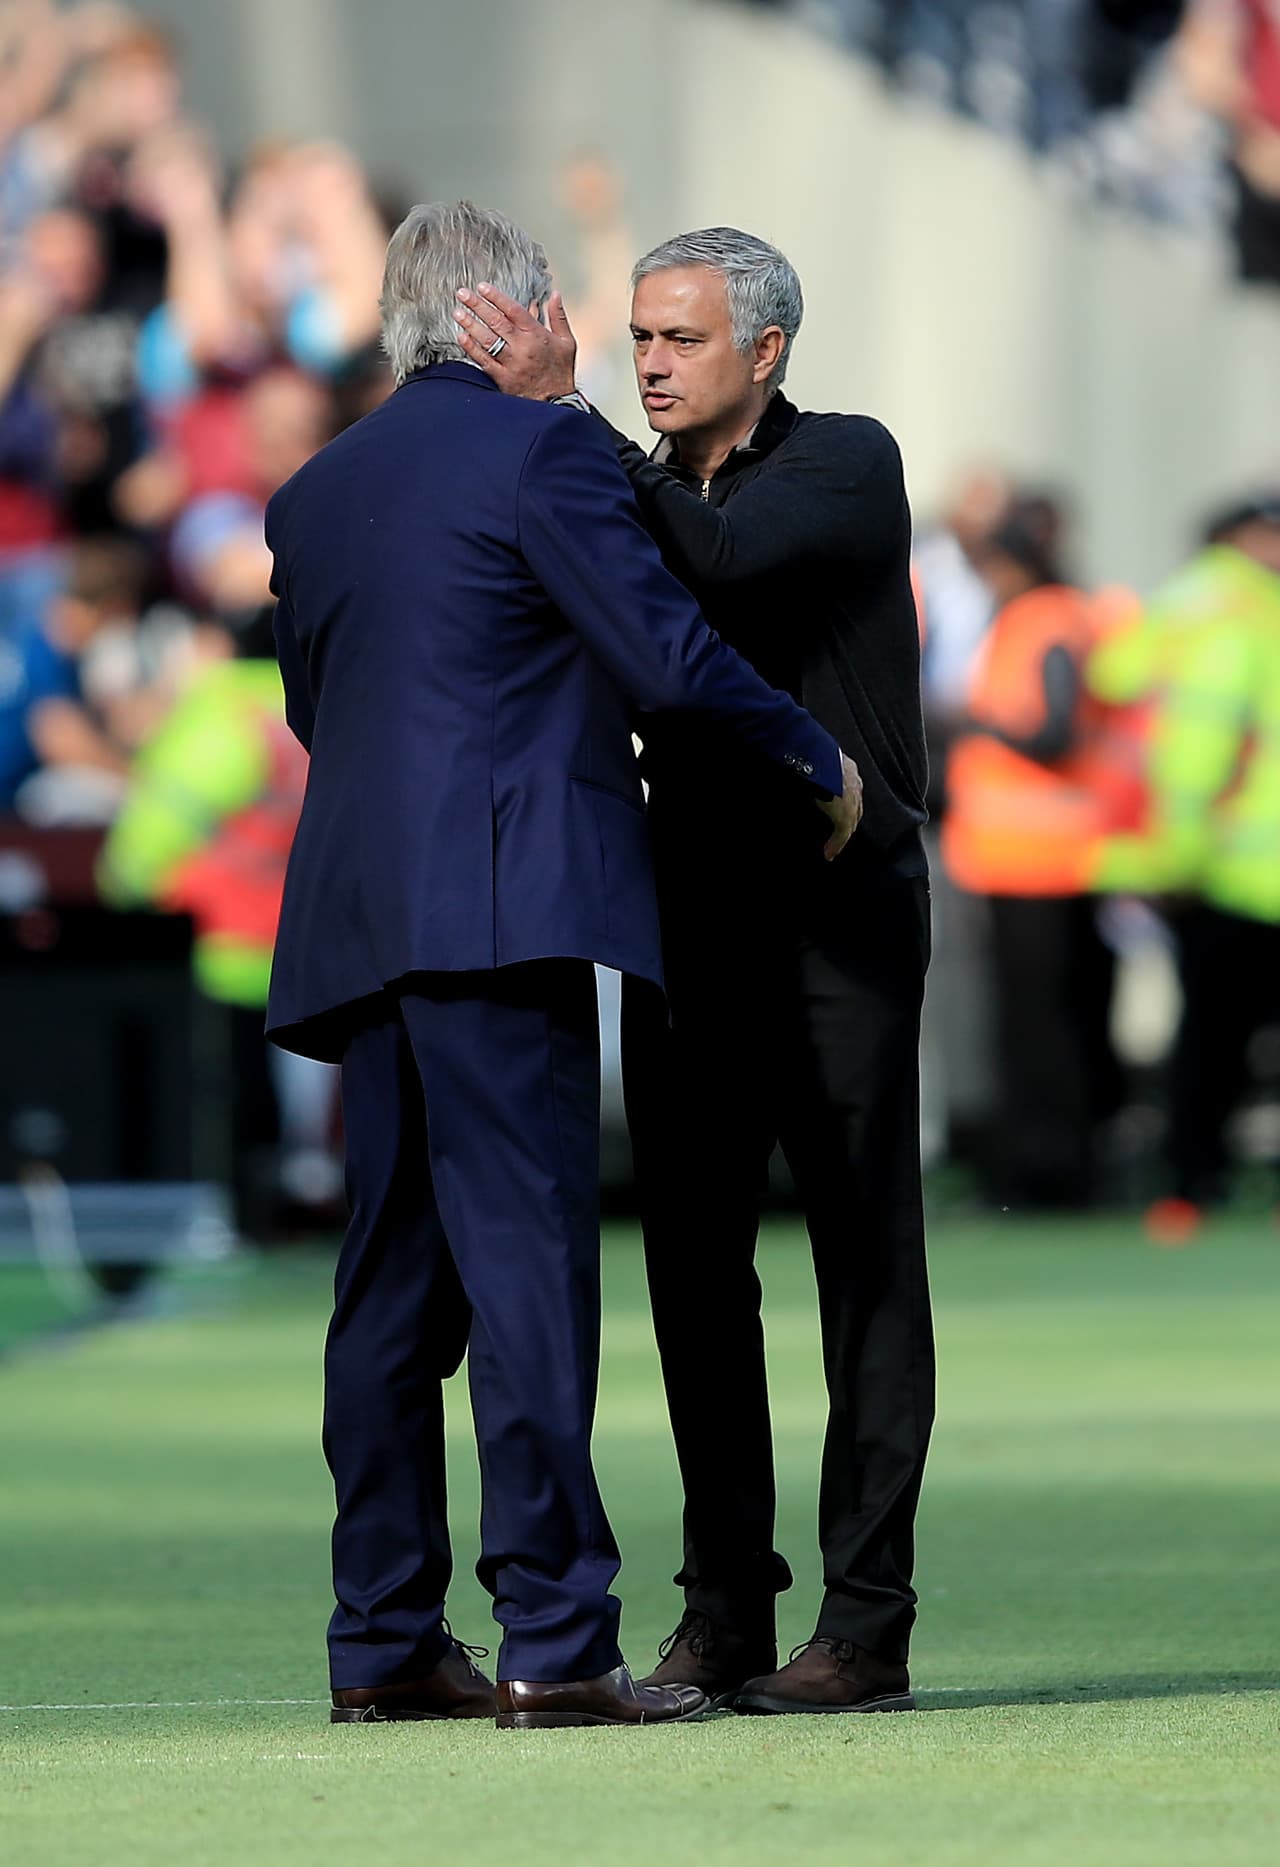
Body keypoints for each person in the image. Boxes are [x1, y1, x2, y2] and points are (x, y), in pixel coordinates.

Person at [266, 202, 862, 1730]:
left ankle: (385, 1634)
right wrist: (814, 753)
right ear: (504, 319)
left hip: (358, 915)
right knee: (528, 1270)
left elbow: (320, 710)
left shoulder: (316, 489)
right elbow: (663, 649)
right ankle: (556, 1635)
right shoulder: (541, 453)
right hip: (504, 907)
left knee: (390, 1285)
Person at [455, 224, 933, 1716]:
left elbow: (718, 556)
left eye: (681, 340)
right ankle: (726, 1608)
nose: (652, 363)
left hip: (844, 907)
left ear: (767, 351)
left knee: (862, 1264)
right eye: (641, 339)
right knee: (692, 1280)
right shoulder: (640, 485)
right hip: (688, 913)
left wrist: (564, 419)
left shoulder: (848, 460)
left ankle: (866, 1623)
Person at [1089, 494, 1280, 1238]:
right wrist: (1186, 851)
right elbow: (1205, 742)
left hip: (1206, 858)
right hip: (1237, 863)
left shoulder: (1174, 607)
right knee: (1216, 1037)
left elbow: (1115, 683)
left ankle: (1187, 1185)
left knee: (1206, 1037)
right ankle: (1192, 1184)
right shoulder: (1245, 612)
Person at [943, 511, 1123, 1207]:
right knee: (1066, 1019)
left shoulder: (1043, 619)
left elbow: (1052, 730)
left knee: (1036, 1025)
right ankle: (1067, 1165)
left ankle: (1047, 1172)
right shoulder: (1063, 614)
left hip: (1032, 858)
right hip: (1053, 851)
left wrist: (974, 721)